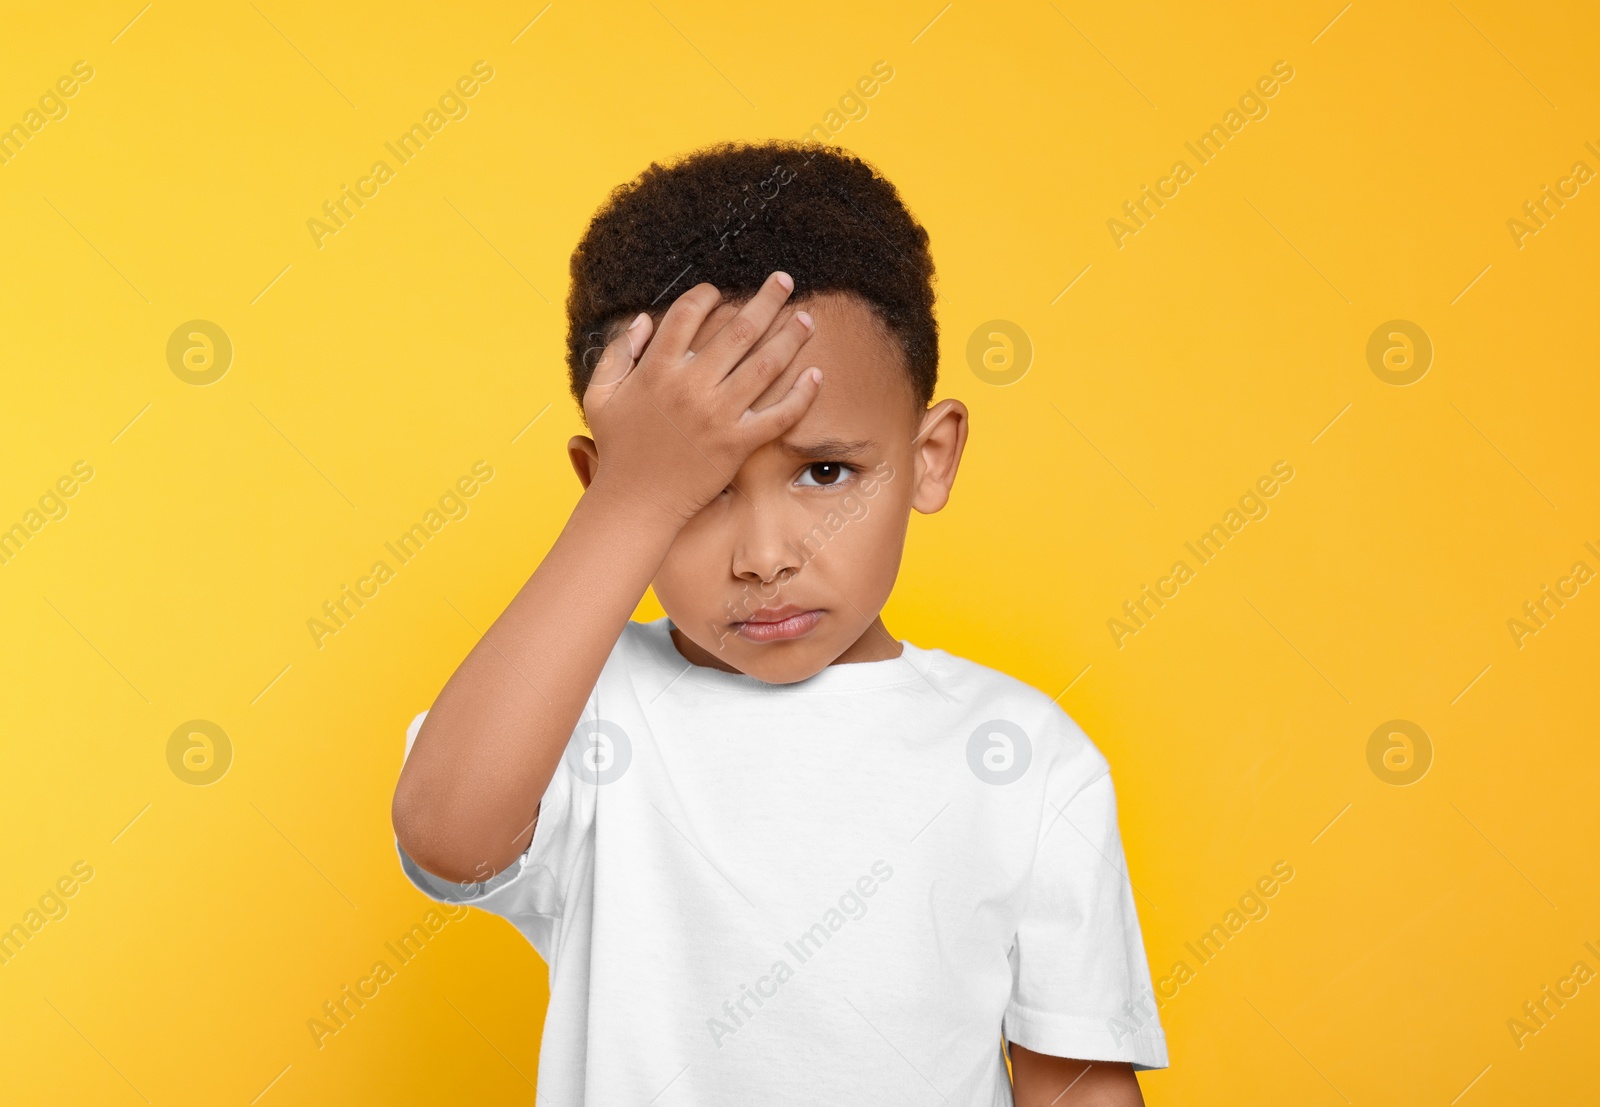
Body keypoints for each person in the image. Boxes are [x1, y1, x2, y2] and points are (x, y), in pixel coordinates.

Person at [390, 139, 1167, 1105]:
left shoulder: (1026, 755)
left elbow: (1077, 1085)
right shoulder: (589, 715)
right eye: (703, 488)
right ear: (606, 489)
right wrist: (634, 504)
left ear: (930, 457)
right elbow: (446, 833)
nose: (765, 555)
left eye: (825, 471)